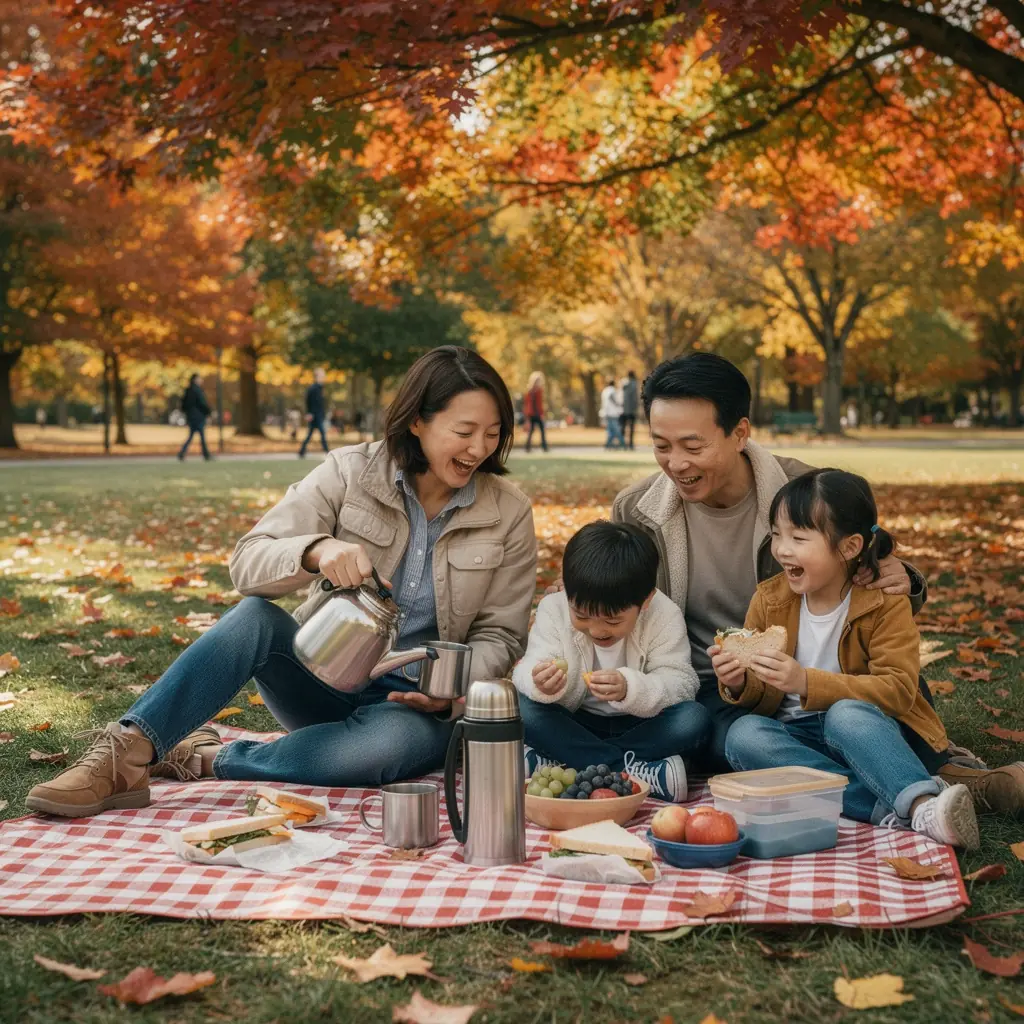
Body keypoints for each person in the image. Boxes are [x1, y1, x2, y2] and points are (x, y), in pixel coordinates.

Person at [26, 346, 538, 817]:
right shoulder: (350, 472)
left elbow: (501, 635)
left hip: (410, 707)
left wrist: (451, 694)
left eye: (492, 434)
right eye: (465, 431)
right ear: (418, 422)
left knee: (382, 753)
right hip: (318, 670)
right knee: (252, 618)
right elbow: (247, 561)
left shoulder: (508, 511)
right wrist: (316, 551)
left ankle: (211, 758)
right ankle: (124, 753)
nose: (479, 448)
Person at [713, 469, 980, 847]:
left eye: (799, 538)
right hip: (798, 738)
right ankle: (894, 810)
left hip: (868, 732)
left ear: (850, 547)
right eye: (776, 534)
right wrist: (739, 681)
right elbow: (763, 693)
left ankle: (921, 801)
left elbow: (900, 690)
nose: (782, 549)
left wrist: (806, 682)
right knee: (743, 736)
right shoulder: (769, 599)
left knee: (845, 713)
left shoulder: (884, 602)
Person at [512, 521, 708, 802]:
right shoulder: (553, 609)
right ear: (567, 591)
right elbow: (529, 667)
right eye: (581, 616)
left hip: (641, 725)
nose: (597, 631)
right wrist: (541, 682)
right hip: (573, 723)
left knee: (694, 719)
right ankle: (633, 772)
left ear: (647, 601)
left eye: (613, 620)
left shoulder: (665, 615)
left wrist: (631, 688)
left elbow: (681, 683)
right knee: (522, 707)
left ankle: (564, 765)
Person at [177, 373, 212, 461]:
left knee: (192, 436)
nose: (201, 380)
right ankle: (206, 454)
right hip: (198, 416)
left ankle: (182, 452)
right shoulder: (197, 390)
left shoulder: (188, 390)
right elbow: (202, 403)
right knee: (201, 436)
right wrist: (208, 412)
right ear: (195, 380)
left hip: (191, 416)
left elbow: (183, 404)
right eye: (199, 379)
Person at [299, 368, 329, 458]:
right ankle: (327, 451)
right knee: (321, 433)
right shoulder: (313, 388)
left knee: (311, 434)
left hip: (319, 415)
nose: (323, 377)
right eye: (322, 375)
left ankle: (302, 451)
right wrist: (309, 413)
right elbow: (308, 401)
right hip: (314, 415)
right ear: (317, 377)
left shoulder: (320, 388)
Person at [523, 370, 548, 453]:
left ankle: (543, 447)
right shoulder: (531, 391)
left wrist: (541, 413)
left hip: (535, 413)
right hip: (533, 414)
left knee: (540, 431)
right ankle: (529, 447)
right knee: (533, 431)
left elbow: (538, 404)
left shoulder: (536, 391)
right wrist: (527, 415)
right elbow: (529, 404)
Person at [600, 378, 625, 449]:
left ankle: (609, 444)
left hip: (606, 413)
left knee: (610, 430)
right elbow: (612, 398)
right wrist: (619, 404)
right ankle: (623, 444)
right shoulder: (612, 390)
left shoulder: (604, 391)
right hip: (613, 413)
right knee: (616, 429)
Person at [620, 370, 638, 450]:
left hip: (624, 409)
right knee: (631, 428)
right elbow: (635, 397)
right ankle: (630, 444)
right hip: (632, 410)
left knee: (623, 427)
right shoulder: (634, 384)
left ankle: (622, 443)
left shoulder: (624, 384)